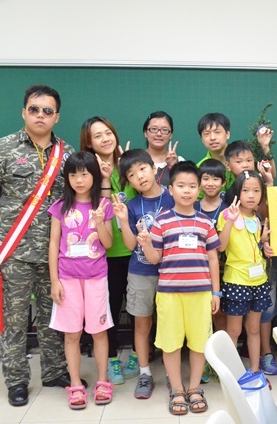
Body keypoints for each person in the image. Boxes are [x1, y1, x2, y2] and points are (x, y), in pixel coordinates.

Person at [0, 85, 76, 407]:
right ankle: (16, 380)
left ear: (57, 116)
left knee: (52, 315)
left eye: (47, 111)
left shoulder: (67, 154)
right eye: (34, 109)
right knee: (14, 320)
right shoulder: (3, 148)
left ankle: (54, 371)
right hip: (14, 250)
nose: (40, 115)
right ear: (24, 112)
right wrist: (10, 218)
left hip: (54, 251)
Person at [137, 161, 220, 416]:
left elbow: (213, 258)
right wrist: (146, 243)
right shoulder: (161, 221)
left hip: (201, 294)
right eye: (181, 186)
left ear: (199, 190)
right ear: (170, 189)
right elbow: (155, 258)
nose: (187, 191)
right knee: (171, 344)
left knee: (199, 343)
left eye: (192, 186)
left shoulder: (206, 222)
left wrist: (216, 292)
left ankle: (194, 388)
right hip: (170, 294)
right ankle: (177, 389)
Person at [48, 152, 115, 409]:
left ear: (94, 176)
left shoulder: (103, 205)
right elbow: (54, 244)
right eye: (73, 174)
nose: (79, 180)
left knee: (99, 331)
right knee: (72, 333)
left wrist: (99, 223)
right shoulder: (60, 207)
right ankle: (75, 384)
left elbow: (108, 244)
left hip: (96, 277)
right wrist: (54, 281)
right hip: (67, 278)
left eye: (85, 174)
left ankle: (103, 381)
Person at [111, 149, 175, 399]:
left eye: (142, 169)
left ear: (154, 169)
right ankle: (145, 373)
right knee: (142, 323)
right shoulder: (131, 206)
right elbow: (129, 245)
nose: (139, 176)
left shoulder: (172, 196)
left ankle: (171, 373)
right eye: (131, 174)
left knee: (170, 323)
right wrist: (123, 219)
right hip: (140, 272)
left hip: (171, 272)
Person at [80, 116, 138, 384]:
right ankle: (112, 358)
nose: (105, 139)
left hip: (135, 249)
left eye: (108, 132)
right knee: (111, 308)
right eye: (98, 136)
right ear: (89, 143)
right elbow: (101, 209)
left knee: (139, 308)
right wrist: (104, 177)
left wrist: (128, 170)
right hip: (107, 253)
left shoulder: (128, 164)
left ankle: (138, 354)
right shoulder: (86, 171)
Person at [222, 140, 277, 375]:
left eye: (256, 191)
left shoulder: (257, 218)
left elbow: (255, 246)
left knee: (254, 329)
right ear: (237, 193)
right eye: (245, 191)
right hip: (237, 281)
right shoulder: (227, 215)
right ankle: (233, 373)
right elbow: (220, 246)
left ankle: (255, 372)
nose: (251, 195)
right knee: (234, 331)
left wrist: (264, 244)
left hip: (259, 281)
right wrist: (229, 221)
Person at [195, 158, 228, 336]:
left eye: (216, 179)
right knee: (199, 314)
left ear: (223, 183)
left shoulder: (228, 210)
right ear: (199, 183)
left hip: (222, 269)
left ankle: (220, 348)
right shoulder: (192, 207)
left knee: (219, 313)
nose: (210, 183)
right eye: (206, 178)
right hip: (197, 269)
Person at [196, 113, 235, 193]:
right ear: (202, 139)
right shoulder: (199, 168)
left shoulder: (244, 160)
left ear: (227, 134)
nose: (212, 138)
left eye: (217, 132)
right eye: (206, 134)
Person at [143, 111, 184, 187]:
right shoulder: (136, 160)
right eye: (154, 129)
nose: (159, 134)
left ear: (171, 135)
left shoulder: (180, 162)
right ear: (145, 132)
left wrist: (174, 167)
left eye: (164, 130)